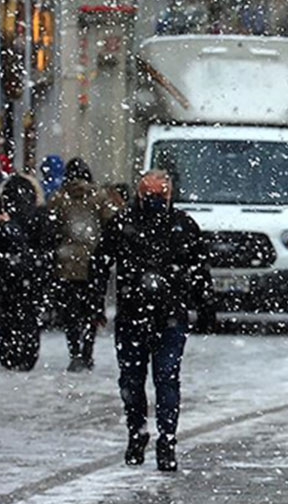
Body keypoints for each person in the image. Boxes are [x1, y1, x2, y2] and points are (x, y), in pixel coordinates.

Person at [90, 171, 212, 471]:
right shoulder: (123, 224)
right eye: (150, 193)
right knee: (132, 380)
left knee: (166, 378)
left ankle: (166, 440)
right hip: (134, 315)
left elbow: (199, 268)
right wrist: (94, 304)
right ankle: (137, 433)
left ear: (170, 195)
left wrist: (205, 305)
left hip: (169, 316)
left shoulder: (183, 225)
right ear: (139, 194)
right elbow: (100, 263)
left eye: (161, 193)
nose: (155, 199)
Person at [47, 158, 118, 371]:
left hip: (66, 263)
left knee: (71, 312)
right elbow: (112, 223)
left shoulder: (59, 198)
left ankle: (75, 351)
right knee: (92, 310)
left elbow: (51, 227)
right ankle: (88, 350)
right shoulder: (100, 197)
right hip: (93, 262)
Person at [0, 174, 54, 370]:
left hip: (9, 270)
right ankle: (26, 355)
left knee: (10, 312)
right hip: (31, 271)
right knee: (28, 314)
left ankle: (9, 354)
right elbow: (47, 240)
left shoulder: (4, 214)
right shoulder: (38, 213)